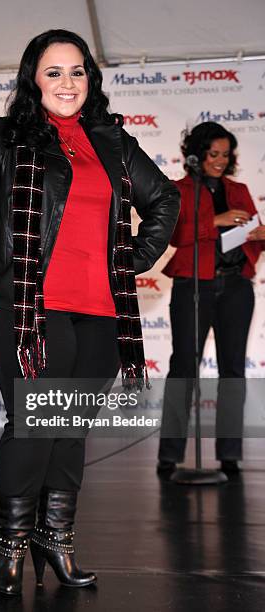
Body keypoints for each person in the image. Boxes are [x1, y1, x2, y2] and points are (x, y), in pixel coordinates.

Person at [0, 29, 180, 596]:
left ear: (91, 79)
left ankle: (56, 538)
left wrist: (125, 262)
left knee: (68, 428)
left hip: (101, 309)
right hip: (24, 306)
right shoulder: (1, 138)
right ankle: (11, 547)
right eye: (54, 72)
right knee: (33, 427)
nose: (67, 83)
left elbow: (165, 201)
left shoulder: (112, 141)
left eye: (77, 71)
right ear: (33, 78)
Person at [158, 121, 265, 476]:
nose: (220, 161)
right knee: (184, 369)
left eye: (225, 154)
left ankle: (230, 455)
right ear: (197, 154)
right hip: (193, 285)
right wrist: (216, 221)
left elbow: (251, 234)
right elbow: (174, 237)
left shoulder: (240, 189)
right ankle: (170, 455)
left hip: (236, 287)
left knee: (233, 370)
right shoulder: (180, 190)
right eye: (213, 154)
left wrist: (256, 233)